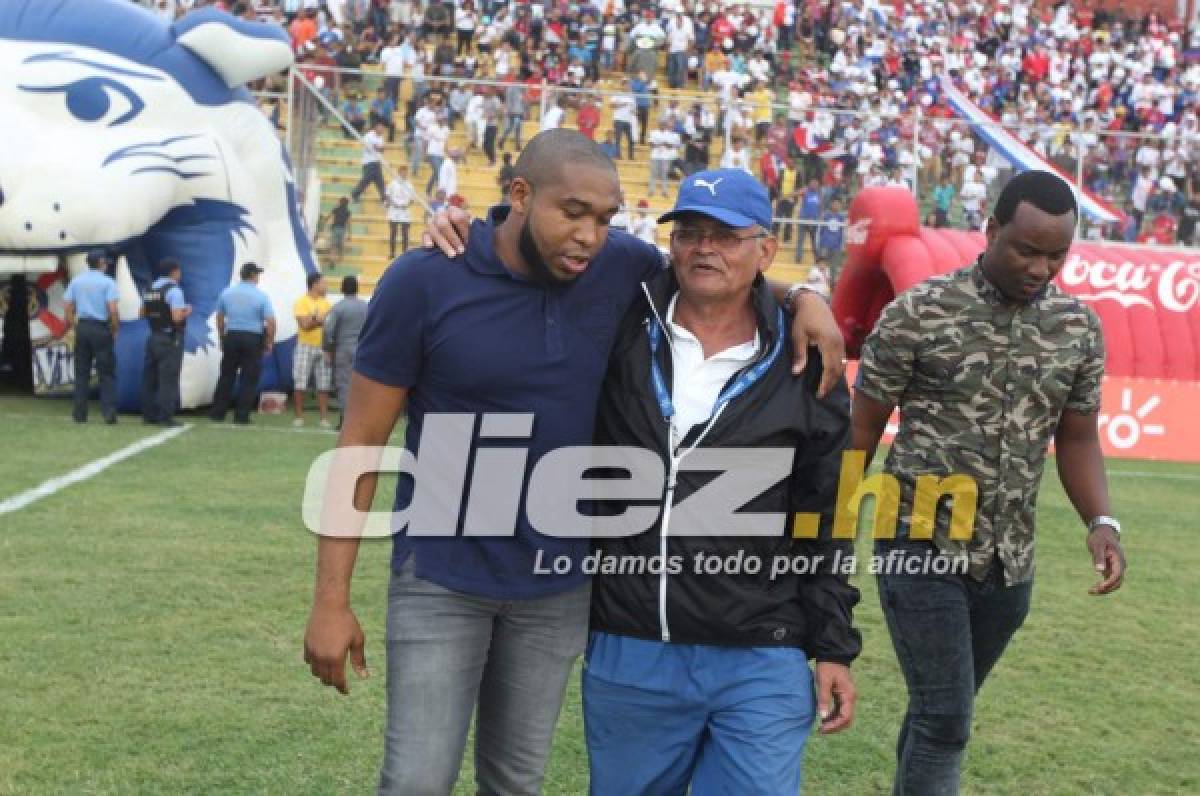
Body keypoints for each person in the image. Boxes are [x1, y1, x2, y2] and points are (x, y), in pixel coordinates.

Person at [302, 130, 846, 795]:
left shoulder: (617, 268)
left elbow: (723, 269)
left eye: (605, 218)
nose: (588, 234)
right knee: (415, 780)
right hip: (442, 578)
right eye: (573, 212)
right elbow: (359, 442)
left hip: (557, 586)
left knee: (515, 784)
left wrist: (804, 299)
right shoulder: (425, 278)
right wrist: (330, 601)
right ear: (520, 196)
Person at [584, 169, 860, 794]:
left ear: (765, 249)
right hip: (632, 643)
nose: (704, 248)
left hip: (761, 650)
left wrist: (834, 647)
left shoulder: (806, 360)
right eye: (689, 232)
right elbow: (541, 236)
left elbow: (828, 512)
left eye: (726, 235)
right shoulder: (624, 322)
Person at [851, 170, 1127, 795]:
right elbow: (861, 430)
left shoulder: (1078, 328)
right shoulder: (917, 313)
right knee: (947, 719)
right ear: (993, 229)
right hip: (919, 541)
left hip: (1010, 561)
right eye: (1026, 250)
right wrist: (827, 530)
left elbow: (1078, 438)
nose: (1040, 267)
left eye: (1056, 255)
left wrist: (1102, 523)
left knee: (938, 715)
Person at [209, 263, 276, 425]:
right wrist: (269, 341)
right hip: (252, 337)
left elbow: (219, 317)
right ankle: (241, 415)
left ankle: (218, 412)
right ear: (253, 276)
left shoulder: (227, 292)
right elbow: (271, 321)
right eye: (257, 274)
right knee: (249, 378)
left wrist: (221, 335)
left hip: (232, 335)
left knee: (226, 376)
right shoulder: (261, 296)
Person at [62, 248, 119, 424]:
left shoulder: (77, 281)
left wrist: (73, 324)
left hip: (83, 326)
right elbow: (112, 309)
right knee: (106, 373)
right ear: (101, 262)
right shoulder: (108, 282)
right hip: (100, 328)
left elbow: (67, 306)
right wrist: (115, 329)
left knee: (81, 373)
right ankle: (108, 412)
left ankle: (79, 414)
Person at [139, 258, 191, 426]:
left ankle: (148, 414)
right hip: (169, 338)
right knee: (168, 378)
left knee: (150, 378)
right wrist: (187, 311)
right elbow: (176, 318)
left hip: (153, 336)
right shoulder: (174, 291)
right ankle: (165, 416)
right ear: (174, 272)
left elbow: (141, 313)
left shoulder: (149, 289)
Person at [322, 275, 368, 431]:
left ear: (342, 288)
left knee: (343, 385)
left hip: (343, 349)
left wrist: (328, 349)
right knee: (362, 386)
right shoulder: (366, 306)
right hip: (362, 350)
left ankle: (345, 420)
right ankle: (361, 420)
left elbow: (328, 330)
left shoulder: (338, 307)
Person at [293, 273, 333, 429]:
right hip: (305, 345)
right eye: (324, 283)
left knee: (323, 383)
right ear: (315, 284)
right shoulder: (301, 302)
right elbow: (304, 325)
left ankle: (323, 418)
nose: (326, 286)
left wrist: (314, 319)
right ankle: (298, 416)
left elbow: (328, 325)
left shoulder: (327, 304)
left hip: (323, 346)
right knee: (300, 381)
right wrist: (317, 320)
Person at [350, 122, 387, 204]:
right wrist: (377, 148)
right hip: (369, 162)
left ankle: (384, 198)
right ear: (376, 127)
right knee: (367, 180)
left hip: (377, 161)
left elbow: (382, 149)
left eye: (382, 128)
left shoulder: (381, 138)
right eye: (380, 127)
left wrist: (377, 147)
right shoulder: (369, 136)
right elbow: (369, 148)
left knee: (379, 181)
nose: (382, 129)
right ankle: (354, 195)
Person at [385, 166, 416, 258]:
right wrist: (393, 203)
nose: (404, 174)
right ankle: (392, 253)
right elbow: (387, 195)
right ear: (399, 173)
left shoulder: (409, 185)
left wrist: (406, 205)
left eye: (406, 172)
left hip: (405, 211)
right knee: (393, 233)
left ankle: (404, 254)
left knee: (405, 234)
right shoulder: (393, 184)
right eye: (403, 172)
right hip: (394, 211)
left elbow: (413, 198)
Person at [321, 197, 352, 263]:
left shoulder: (335, 209)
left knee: (333, 245)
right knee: (341, 245)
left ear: (340, 202)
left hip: (335, 228)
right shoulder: (348, 212)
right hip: (342, 229)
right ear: (347, 204)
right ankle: (341, 259)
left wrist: (324, 219)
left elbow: (328, 217)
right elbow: (349, 224)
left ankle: (332, 258)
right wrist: (349, 234)